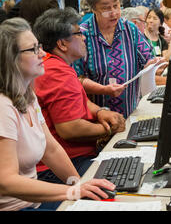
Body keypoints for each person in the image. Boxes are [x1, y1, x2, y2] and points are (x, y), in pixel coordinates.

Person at [0, 18, 115, 211]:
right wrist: (72, 192)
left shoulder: (28, 96)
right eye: (34, 49)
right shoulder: (4, 107)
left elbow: (51, 149)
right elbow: (6, 181)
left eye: (40, 47)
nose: (43, 54)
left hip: (33, 204)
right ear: (11, 58)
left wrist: (78, 184)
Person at [33, 8, 126, 183]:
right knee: (123, 179)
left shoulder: (54, 65)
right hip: (63, 166)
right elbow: (70, 128)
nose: (84, 38)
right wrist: (108, 129)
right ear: (62, 44)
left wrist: (100, 112)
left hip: (66, 160)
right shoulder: (58, 73)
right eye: (78, 33)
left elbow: (79, 98)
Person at [73, 0, 157, 118]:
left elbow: (147, 58)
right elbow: (76, 78)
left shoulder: (129, 29)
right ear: (94, 9)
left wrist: (151, 64)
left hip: (131, 114)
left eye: (116, 6)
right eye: (106, 8)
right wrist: (103, 89)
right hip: (98, 119)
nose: (113, 13)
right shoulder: (82, 35)